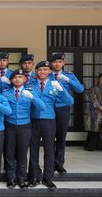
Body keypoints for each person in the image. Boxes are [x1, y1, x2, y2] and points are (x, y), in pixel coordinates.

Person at [28, 61, 74, 190]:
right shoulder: (30, 84)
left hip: (49, 120)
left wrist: (62, 90)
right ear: (36, 72)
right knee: (33, 149)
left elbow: (70, 101)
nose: (43, 72)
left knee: (49, 149)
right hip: (34, 119)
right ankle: (34, 176)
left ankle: (48, 177)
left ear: (49, 71)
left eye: (45, 70)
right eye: (40, 70)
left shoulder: (55, 84)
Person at [2, 69, 45, 189]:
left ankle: (21, 178)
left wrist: (32, 98)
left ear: (25, 79)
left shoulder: (30, 92)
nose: (17, 79)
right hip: (9, 126)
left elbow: (42, 107)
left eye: (20, 77)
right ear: (11, 80)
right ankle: (10, 178)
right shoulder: (6, 93)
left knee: (22, 153)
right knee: (9, 154)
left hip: (24, 126)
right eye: (15, 77)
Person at [49, 52, 84, 173]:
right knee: (49, 137)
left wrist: (67, 80)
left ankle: (59, 163)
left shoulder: (69, 75)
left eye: (60, 62)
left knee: (61, 137)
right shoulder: (46, 74)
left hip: (63, 109)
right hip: (49, 109)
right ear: (51, 63)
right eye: (54, 62)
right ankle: (50, 162)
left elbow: (80, 89)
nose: (57, 64)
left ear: (63, 63)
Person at [85, 72, 102, 151]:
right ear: (99, 79)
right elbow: (94, 101)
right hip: (96, 112)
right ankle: (92, 146)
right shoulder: (93, 89)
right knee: (95, 129)